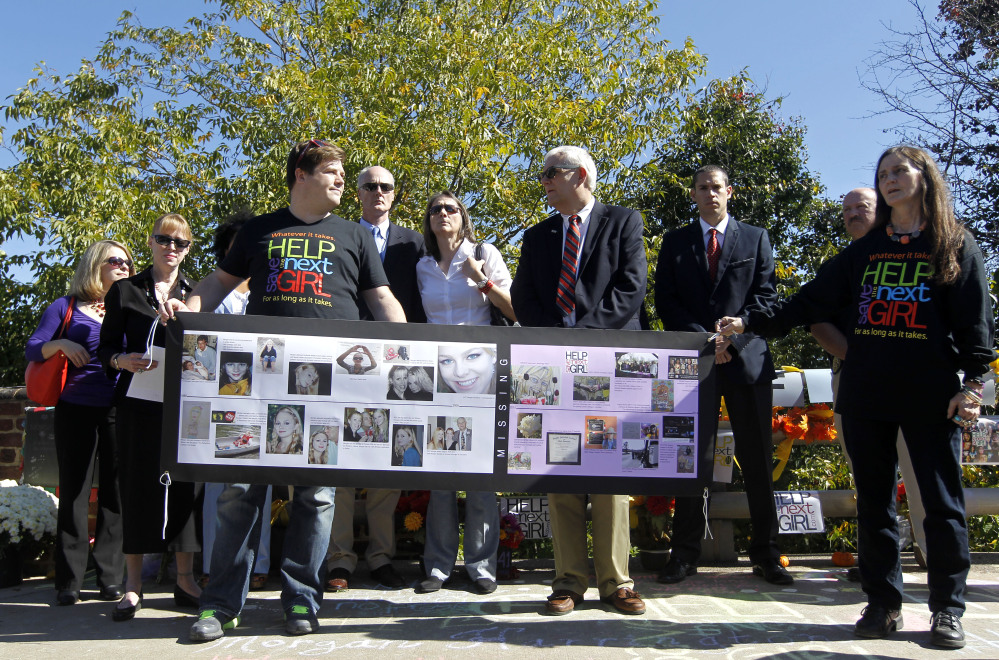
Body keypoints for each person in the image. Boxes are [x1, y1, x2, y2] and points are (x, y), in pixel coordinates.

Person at [717, 146, 995, 649]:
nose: (889, 181)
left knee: (942, 504)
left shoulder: (953, 245)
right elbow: (809, 300)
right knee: (875, 504)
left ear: (924, 178)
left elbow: (976, 327)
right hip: (867, 391)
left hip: (930, 394)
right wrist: (750, 322)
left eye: (899, 172)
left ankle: (947, 609)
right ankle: (884, 603)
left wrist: (972, 387)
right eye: (883, 174)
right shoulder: (864, 252)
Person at [159, 139, 405, 641]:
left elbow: (383, 302)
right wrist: (186, 306)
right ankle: (221, 605)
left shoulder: (355, 236)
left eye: (343, 173)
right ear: (300, 175)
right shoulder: (258, 230)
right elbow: (217, 284)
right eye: (333, 172)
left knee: (316, 498)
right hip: (255, 387)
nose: (342, 181)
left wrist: (406, 354)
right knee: (238, 495)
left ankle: (301, 601)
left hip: (330, 388)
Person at [510, 145, 646, 616]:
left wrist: (583, 340)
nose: (544, 180)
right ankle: (568, 580)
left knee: (609, 472)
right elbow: (522, 295)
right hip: (553, 369)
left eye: (552, 172)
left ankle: (616, 582)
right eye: (543, 173)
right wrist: (555, 343)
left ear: (581, 175)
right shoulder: (538, 235)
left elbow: (631, 288)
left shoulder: (623, 221)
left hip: (609, 365)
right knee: (560, 467)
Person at [653, 164, 791, 587]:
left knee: (756, 459)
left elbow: (768, 296)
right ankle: (684, 553)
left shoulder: (755, 237)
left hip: (747, 360)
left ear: (730, 192)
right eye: (702, 188)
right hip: (695, 364)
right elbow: (666, 301)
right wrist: (706, 341)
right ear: (692, 194)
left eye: (717, 187)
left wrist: (738, 331)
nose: (710, 194)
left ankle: (767, 553)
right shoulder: (675, 243)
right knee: (691, 457)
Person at [809, 188, 927, 573]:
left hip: (914, 383)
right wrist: (859, 358)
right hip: (855, 382)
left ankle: (933, 557)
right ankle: (880, 563)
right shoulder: (841, 265)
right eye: (847, 210)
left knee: (920, 471)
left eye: (863, 207)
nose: (853, 214)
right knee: (869, 477)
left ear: (883, 213)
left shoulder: (916, 253)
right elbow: (816, 319)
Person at [98, 213, 202, 621]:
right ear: (151, 242)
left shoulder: (196, 293)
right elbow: (105, 349)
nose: (171, 248)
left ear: (188, 249)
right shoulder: (125, 290)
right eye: (164, 239)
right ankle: (133, 586)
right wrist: (122, 359)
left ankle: (185, 580)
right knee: (137, 488)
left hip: (185, 403)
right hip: (138, 402)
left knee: (185, 487)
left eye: (180, 243)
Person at [415, 191, 514, 596]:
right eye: (435, 209)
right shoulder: (420, 266)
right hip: (438, 376)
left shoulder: (484, 253)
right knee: (439, 475)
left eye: (450, 208)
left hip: (480, 375)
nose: (442, 214)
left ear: (463, 216)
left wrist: (482, 279)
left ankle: (480, 565)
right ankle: (438, 567)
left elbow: (514, 307)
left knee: (479, 474)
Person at [26, 240, 133, 606]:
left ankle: (110, 578)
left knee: (115, 494)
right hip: (75, 407)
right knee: (74, 490)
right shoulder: (65, 307)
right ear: (95, 266)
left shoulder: (130, 307)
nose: (124, 266)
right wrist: (59, 346)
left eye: (128, 262)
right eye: (115, 260)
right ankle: (69, 580)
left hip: (119, 408)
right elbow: (33, 346)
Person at [202, 211, 272, 594]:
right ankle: (216, 567)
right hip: (223, 398)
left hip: (264, 396)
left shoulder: (270, 287)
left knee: (260, 484)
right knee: (222, 488)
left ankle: (259, 564)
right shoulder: (212, 293)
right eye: (234, 245)